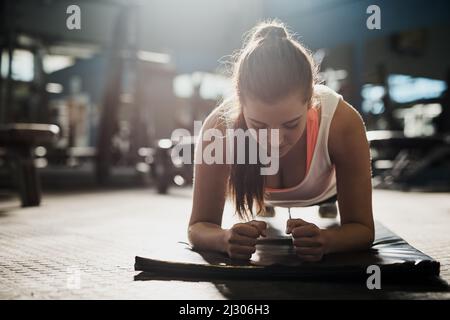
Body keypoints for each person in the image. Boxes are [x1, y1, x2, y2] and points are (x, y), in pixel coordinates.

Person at [188, 20, 374, 262]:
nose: (275, 142)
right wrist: (223, 238)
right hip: (258, 194)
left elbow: (362, 229)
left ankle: (322, 201)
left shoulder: (342, 122)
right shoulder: (219, 128)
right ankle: (265, 203)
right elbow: (199, 226)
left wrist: (327, 240)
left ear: (311, 102)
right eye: (259, 125)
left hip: (328, 192)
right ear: (241, 105)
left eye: (290, 124)